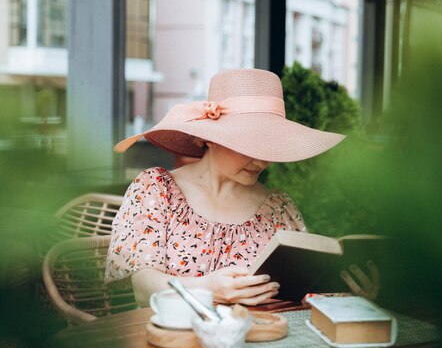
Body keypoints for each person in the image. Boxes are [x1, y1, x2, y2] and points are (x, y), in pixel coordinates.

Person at [105, 68, 376, 307]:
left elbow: (302, 294)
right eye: (250, 145)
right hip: (172, 346)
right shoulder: (156, 190)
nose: (263, 160)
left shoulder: (278, 206)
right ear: (208, 138)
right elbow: (142, 290)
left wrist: (351, 297)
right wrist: (210, 290)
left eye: (270, 146)